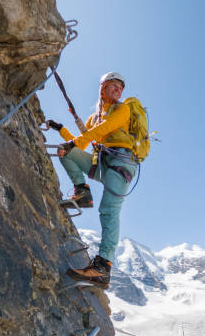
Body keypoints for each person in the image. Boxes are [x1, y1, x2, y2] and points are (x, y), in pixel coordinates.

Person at [46, 71, 139, 288]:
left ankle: (102, 268)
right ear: (102, 89)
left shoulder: (122, 110)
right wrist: (62, 131)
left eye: (120, 87)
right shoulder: (96, 117)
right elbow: (81, 142)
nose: (118, 90)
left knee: (109, 211)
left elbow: (101, 131)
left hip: (122, 165)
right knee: (65, 152)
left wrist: (75, 141)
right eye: (113, 86)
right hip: (105, 163)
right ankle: (83, 192)